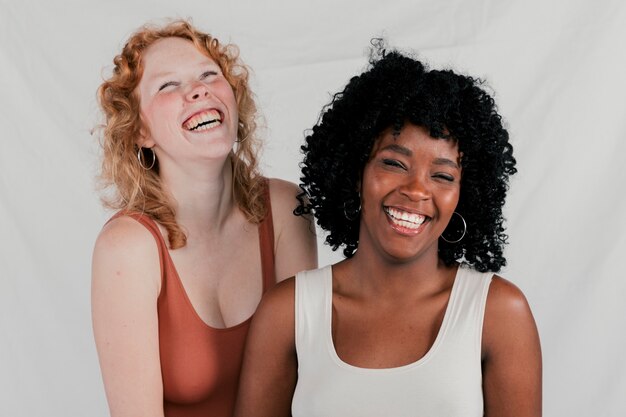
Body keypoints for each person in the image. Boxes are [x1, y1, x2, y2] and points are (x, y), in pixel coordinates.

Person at [235, 45, 542, 417]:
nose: (416, 189)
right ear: (355, 173)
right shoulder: (288, 312)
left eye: (443, 175)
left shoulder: (498, 313)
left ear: (465, 194)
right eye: (394, 163)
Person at [91, 19, 317, 417]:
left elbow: (307, 385)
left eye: (209, 75)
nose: (198, 90)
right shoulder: (128, 248)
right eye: (168, 85)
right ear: (140, 130)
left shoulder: (286, 210)